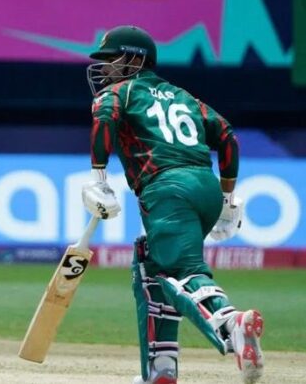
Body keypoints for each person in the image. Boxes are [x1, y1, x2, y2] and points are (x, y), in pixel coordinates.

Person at [81, 25, 264, 384]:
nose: (105, 68)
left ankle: (232, 323)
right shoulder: (184, 96)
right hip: (205, 185)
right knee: (150, 265)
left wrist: (99, 180)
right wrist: (227, 199)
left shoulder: (118, 93)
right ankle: (160, 370)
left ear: (134, 59)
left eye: (111, 59)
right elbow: (227, 135)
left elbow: (104, 118)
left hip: (167, 189)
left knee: (181, 271)